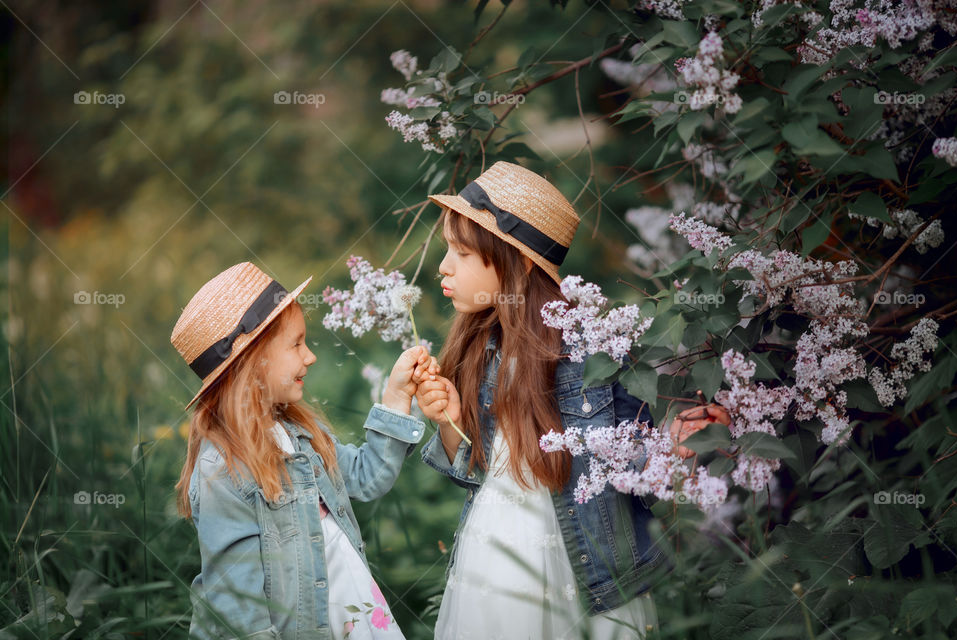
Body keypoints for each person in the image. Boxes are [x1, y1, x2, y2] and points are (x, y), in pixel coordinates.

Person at [412, 161, 730, 639]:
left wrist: (673, 443)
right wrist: (447, 420)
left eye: (460, 252)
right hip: (495, 553)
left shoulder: (590, 350)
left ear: (516, 261)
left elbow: (630, 463)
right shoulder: (481, 345)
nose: (444, 266)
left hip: (584, 561)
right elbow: (476, 472)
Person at [171, 262, 428, 640]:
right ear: (253, 362)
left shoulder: (301, 433)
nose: (310, 356)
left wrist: (395, 397)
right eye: (296, 344)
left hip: (352, 614)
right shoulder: (222, 472)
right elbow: (241, 608)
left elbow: (366, 477)